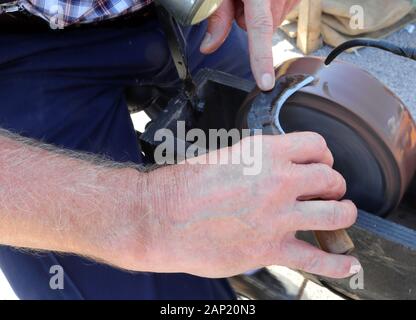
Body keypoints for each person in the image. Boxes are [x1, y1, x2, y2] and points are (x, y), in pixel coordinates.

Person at [0, 0, 360, 299]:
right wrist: (149, 215)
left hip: (181, 11)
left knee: (320, 147)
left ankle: (247, 261)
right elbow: (148, 219)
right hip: (13, 55)